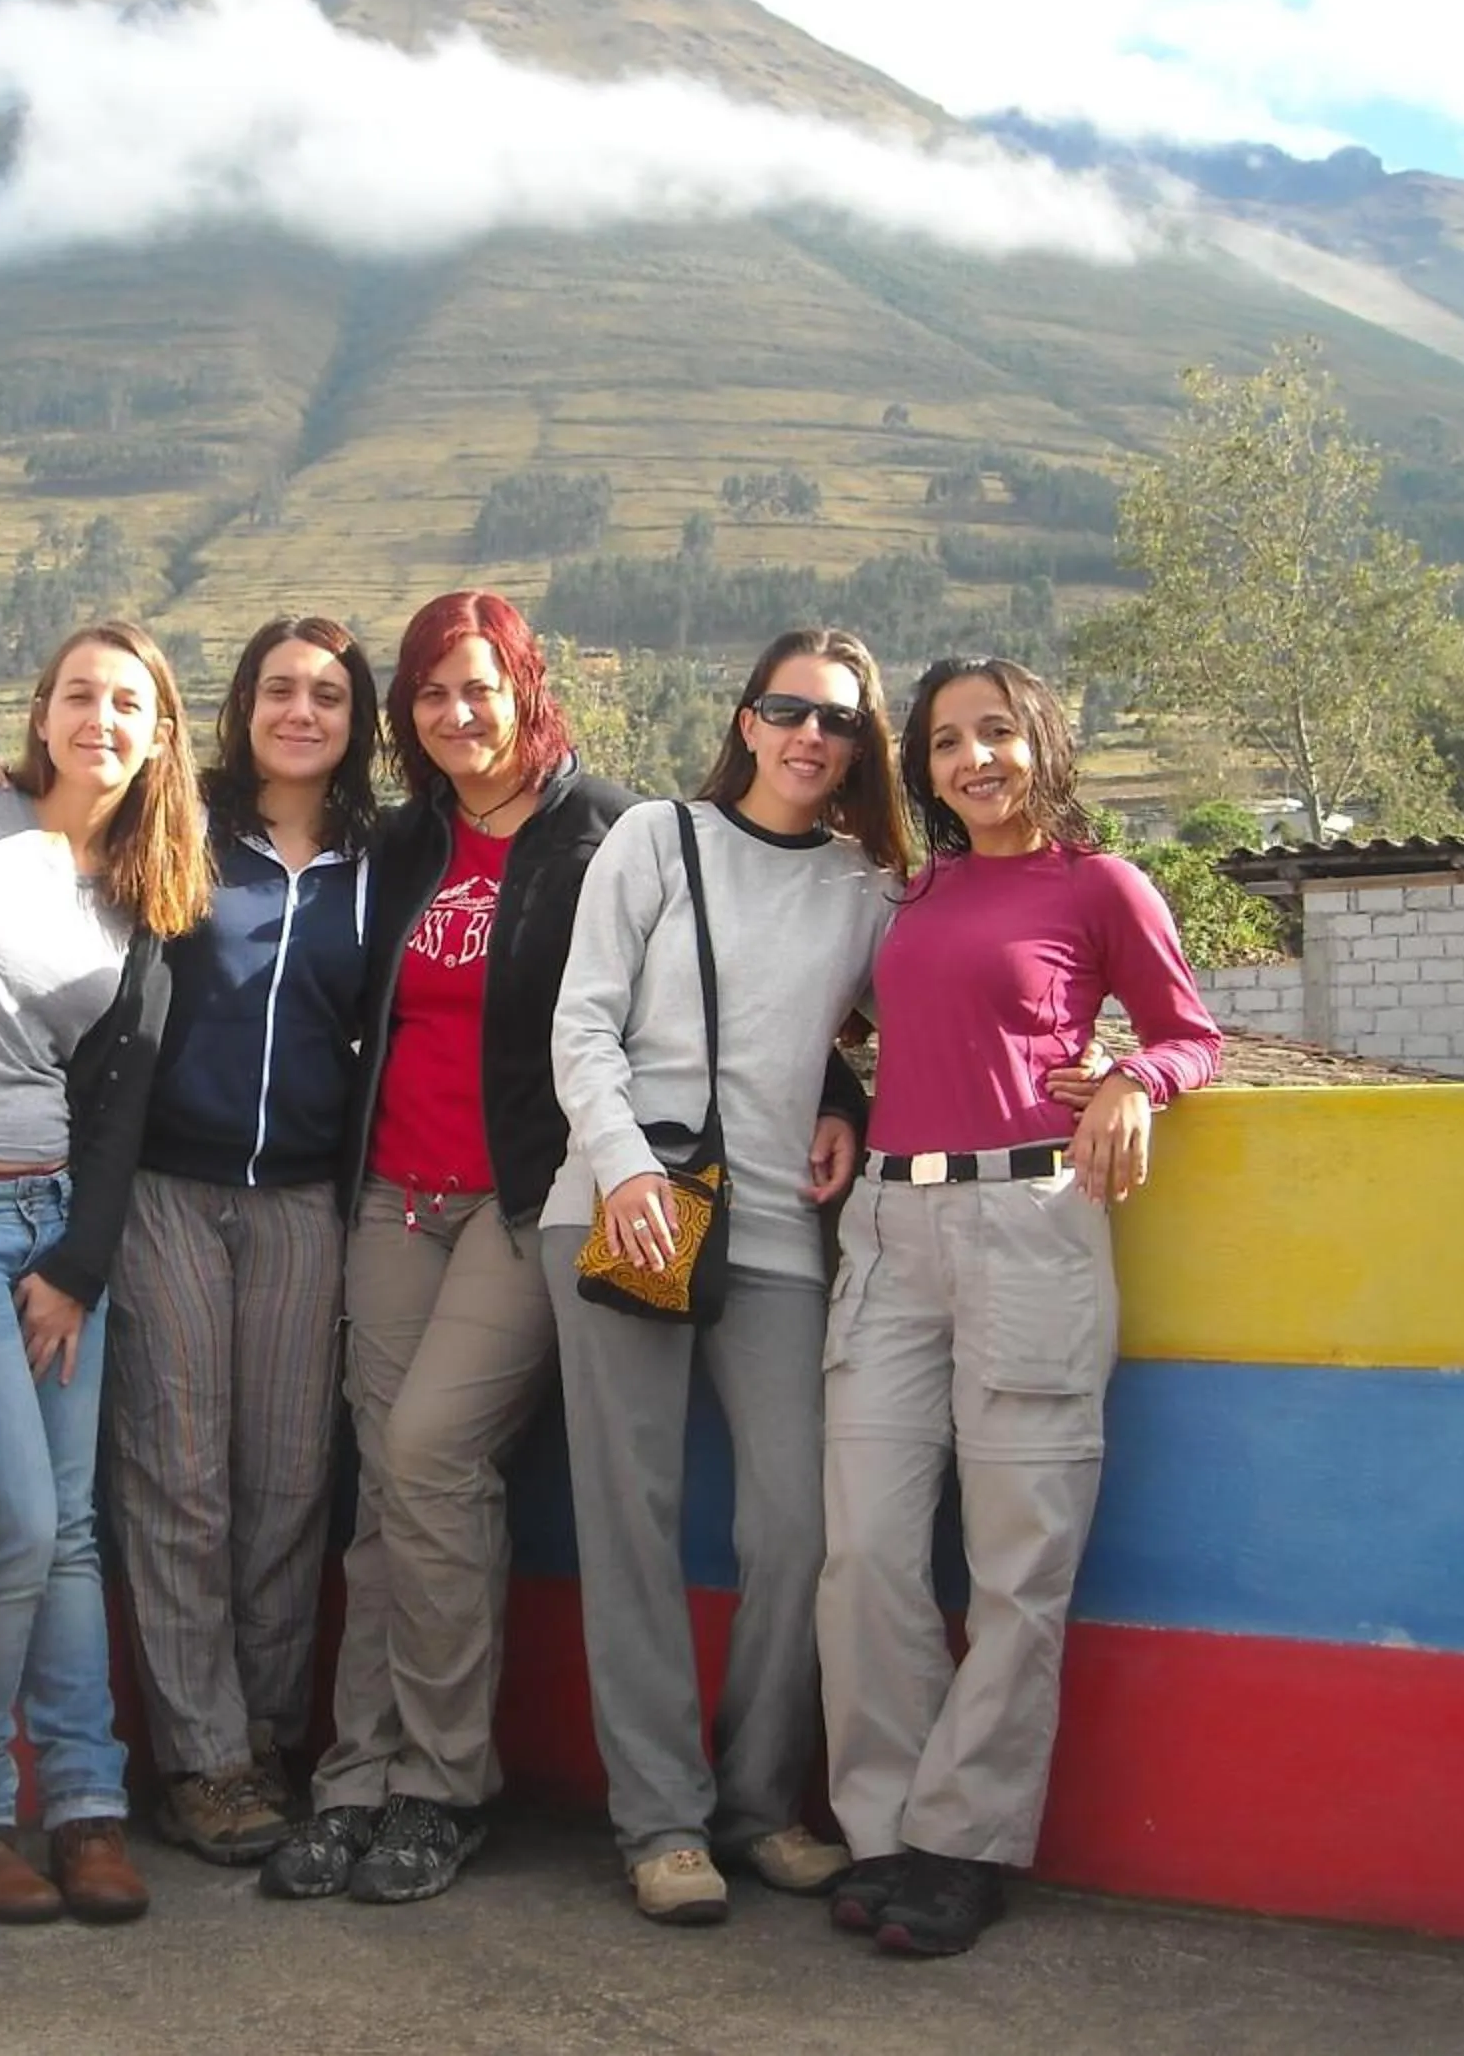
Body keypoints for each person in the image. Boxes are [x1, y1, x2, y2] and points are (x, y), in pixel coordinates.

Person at [817, 656, 1222, 1958]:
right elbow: (864, 1033)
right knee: (868, 1551)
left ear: (1044, 742)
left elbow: (1191, 1030)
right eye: (945, 743)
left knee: (1015, 1567)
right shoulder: (911, 890)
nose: (973, 759)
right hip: (885, 1226)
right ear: (923, 770)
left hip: (1028, 1227)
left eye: (997, 733)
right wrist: (838, 1102)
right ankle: (885, 1827)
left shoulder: (1100, 884)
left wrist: (1132, 1082)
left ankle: (963, 1843)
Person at [261, 590, 636, 1908]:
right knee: (388, 1489)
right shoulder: (404, 842)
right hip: (391, 1198)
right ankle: (355, 1779)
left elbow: (699, 992)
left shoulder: (609, 834)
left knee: (431, 1452)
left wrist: (834, 1095)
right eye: (428, 692)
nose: (455, 712)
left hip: (521, 1202)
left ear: (525, 685)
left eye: (478, 685)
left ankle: (444, 1780)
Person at [544, 629, 911, 1927]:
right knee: (631, 1521)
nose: (811, 735)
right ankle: (659, 1821)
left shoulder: (869, 889)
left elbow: (875, 1022)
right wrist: (624, 1165)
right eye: (787, 708)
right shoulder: (657, 838)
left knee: (797, 1526)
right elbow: (584, 1016)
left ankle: (761, 1805)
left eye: (840, 721)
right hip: (624, 1212)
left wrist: (846, 1099)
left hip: (768, 1233)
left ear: (865, 748)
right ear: (747, 722)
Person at [0, 619, 212, 1928]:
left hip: (51, 1226)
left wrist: (80, 1262)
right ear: (41, 711)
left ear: (159, 733)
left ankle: (85, 1806)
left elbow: (120, 1103)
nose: (101, 716)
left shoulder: (148, 885)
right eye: (79, 693)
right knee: (14, 1524)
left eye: (127, 701)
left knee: (70, 1533)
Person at [109, 617, 382, 1866]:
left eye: (328, 694)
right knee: (182, 1479)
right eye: (279, 688)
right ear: (241, 706)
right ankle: (204, 1761)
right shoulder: (178, 823)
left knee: (286, 1483)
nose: (302, 712)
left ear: (355, 718)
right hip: (169, 1186)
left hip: (304, 1199)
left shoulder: (387, 856)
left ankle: (269, 1735)